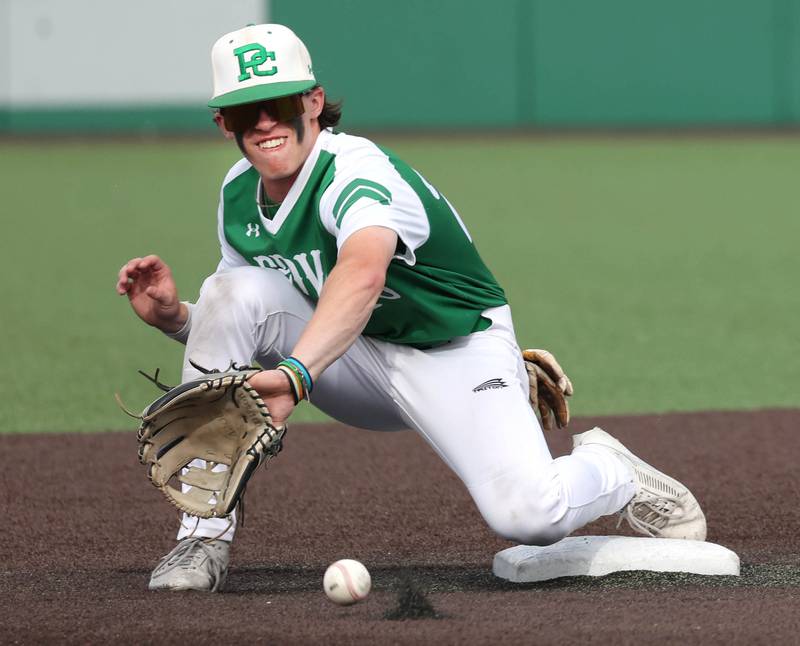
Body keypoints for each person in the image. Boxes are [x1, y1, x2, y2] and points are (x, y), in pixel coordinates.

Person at [116, 23, 706, 592]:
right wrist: (177, 319)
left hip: (454, 351)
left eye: (282, 102)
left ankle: (612, 469)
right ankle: (203, 536)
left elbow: (364, 271)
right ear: (225, 123)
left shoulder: (356, 171)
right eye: (248, 111)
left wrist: (297, 375)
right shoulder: (236, 193)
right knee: (231, 290)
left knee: (531, 515)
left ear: (314, 102)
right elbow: (239, 312)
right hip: (352, 359)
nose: (267, 122)